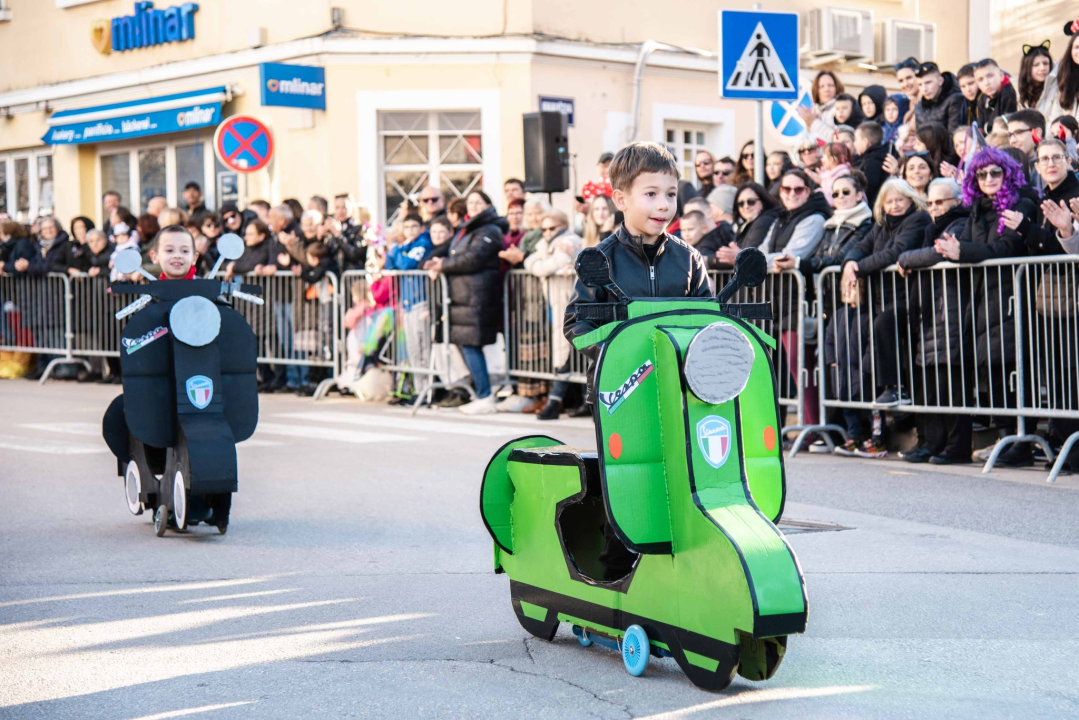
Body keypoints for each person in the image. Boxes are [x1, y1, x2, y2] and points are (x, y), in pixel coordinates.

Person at [564, 141, 710, 579]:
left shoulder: (688, 258)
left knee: (684, 473)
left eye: (670, 193)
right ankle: (614, 574)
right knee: (628, 480)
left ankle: (679, 567)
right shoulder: (599, 260)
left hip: (677, 390)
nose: (663, 204)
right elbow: (578, 324)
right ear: (621, 198)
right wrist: (615, 350)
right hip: (620, 392)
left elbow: (704, 317)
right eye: (651, 194)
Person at [893, 177, 973, 464]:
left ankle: (957, 447)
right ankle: (932, 443)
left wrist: (905, 258)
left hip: (949, 310)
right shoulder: (931, 227)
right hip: (930, 310)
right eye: (930, 203)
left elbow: (937, 253)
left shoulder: (961, 222)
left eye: (940, 202)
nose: (935, 207)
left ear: (957, 201)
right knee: (930, 383)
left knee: (948, 382)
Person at [841, 179, 931, 410]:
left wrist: (859, 268)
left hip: (908, 298)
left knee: (884, 323)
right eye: (889, 201)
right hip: (882, 299)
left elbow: (896, 252)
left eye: (900, 200)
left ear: (911, 200)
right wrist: (850, 261)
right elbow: (861, 246)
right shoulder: (881, 225)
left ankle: (894, 388)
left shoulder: (918, 219)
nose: (895, 205)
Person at [424, 190, 506, 415]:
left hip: (477, 295)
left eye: (478, 202)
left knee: (471, 344)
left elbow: (474, 258)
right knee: (466, 343)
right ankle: (481, 392)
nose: (473, 206)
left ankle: (484, 394)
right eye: (470, 202)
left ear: (488, 205)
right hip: (463, 297)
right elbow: (456, 256)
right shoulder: (467, 229)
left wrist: (443, 266)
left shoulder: (490, 229)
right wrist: (440, 262)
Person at [525, 210, 582, 420]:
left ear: (563, 225)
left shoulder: (570, 241)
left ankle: (556, 400)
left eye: (552, 228)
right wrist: (542, 266)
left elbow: (551, 263)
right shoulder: (546, 244)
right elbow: (531, 261)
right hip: (555, 302)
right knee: (563, 352)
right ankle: (563, 400)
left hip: (572, 303)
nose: (548, 233)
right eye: (544, 229)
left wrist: (543, 266)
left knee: (569, 351)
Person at [756, 169, 830, 266]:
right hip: (776, 280)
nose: (792, 193)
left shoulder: (814, 219)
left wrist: (752, 261)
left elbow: (789, 257)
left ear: (807, 191)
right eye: (787, 189)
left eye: (798, 189)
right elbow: (763, 249)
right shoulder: (780, 218)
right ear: (780, 192)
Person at [915, 62, 965, 132]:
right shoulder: (919, 106)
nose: (924, 89)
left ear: (940, 81)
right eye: (920, 84)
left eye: (928, 82)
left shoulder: (954, 100)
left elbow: (953, 134)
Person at [974, 59, 1018, 132]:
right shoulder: (982, 98)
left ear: (1001, 76)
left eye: (990, 76)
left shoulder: (1010, 93)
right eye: (981, 79)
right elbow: (981, 127)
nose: (986, 83)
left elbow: (1005, 124)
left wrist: (988, 128)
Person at [854, 121, 891, 206]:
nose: (854, 144)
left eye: (856, 140)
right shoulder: (881, 155)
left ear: (865, 142)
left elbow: (868, 190)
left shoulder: (872, 163)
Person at [1018, 41, 1057, 115]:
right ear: (1027, 67)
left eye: (1045, 63)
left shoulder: (1056, 86)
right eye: (1036, 65)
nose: (1042, 68)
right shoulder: (1018, 90)